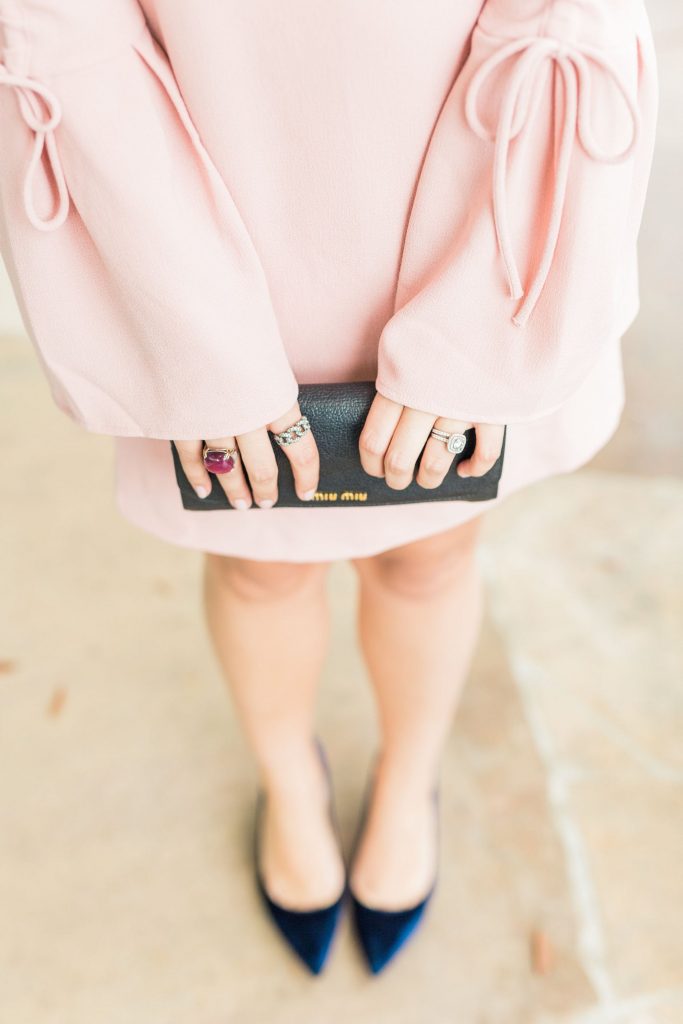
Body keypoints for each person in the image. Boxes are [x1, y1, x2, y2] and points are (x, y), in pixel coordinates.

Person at [0, 0, 657, 976]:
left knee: (429, 553)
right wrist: (188, 328)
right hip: (201, 178)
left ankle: (405, 777)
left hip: (472, 175)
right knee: (253, 557)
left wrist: (483, 304)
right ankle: (290, 783)